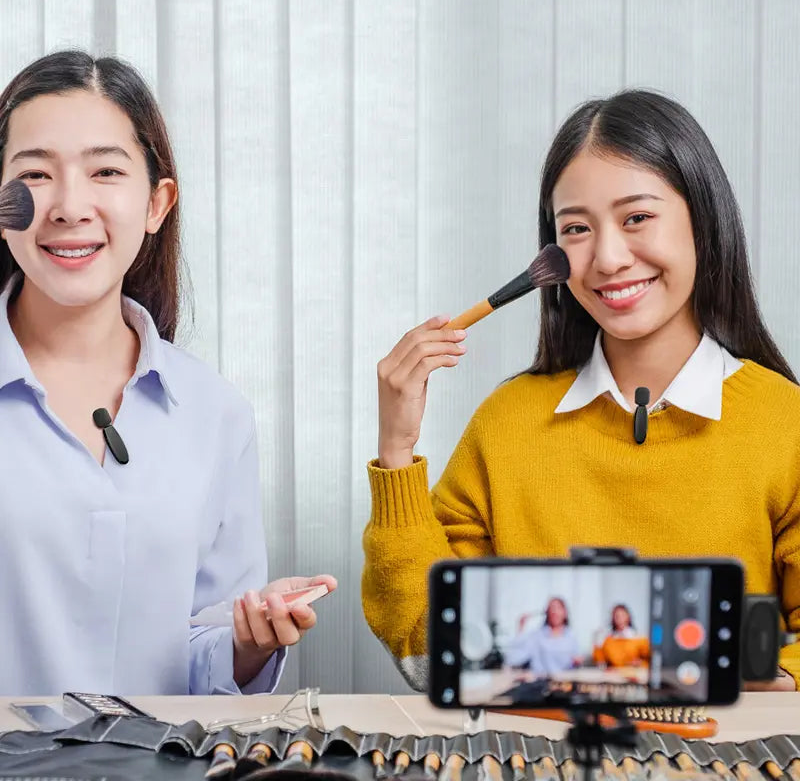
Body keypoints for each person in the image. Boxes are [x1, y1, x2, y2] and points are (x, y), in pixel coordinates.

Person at [362, 89, 800, 693]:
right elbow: (425, 652)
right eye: (576, 228)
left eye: (637, 217)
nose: (609, 258)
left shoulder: (785, 424)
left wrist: (763, 682)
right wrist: (396, 449)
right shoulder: (507, 423)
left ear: (703, 216)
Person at [0, 50, 335, 695]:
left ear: (157, 204)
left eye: (105, 171)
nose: (70, 206)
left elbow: (202, 656)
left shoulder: (215, 414)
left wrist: (246, 640)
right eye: (35, 175)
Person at [504, 598, 582, 673]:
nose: (554, 612)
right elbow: (513, 658)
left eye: (558, 608)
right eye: (551, 609)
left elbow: (575, 662)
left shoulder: (571, 637)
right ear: (547, 613)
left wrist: (576, 662)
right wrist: (521, 628)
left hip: (565, 681)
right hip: (541, 681)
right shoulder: (537, 636)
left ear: (565, 613)